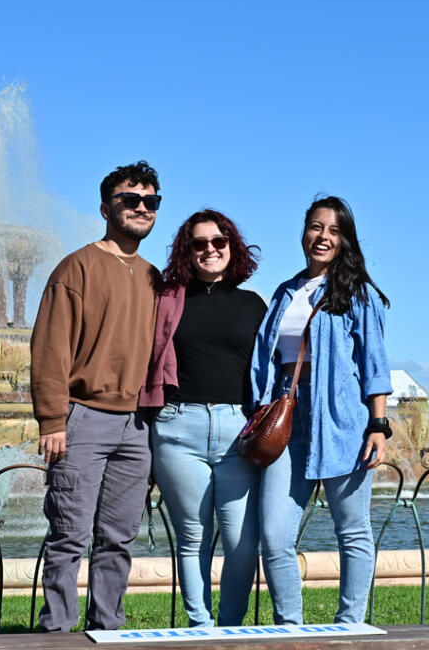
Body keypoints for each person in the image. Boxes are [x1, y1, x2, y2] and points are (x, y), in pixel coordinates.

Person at [28, 162, 162, 632]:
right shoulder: (77, 267)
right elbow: (50, 345)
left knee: (118, 538)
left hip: (138, 425)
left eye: (151, 201)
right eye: (131, 200)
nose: (141, 208)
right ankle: (57, 632)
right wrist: (52, 420)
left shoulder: (154, 277)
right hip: (82, 418)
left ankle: (107, 630)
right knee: (69, 535)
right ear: (107, 208)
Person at [250, 196, 392, 624]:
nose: (322, 237)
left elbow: (374, 363)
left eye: (333, 230)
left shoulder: (357, 293)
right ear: (303, 232)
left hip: (341, 417)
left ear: (344, 239)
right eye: (316, 227)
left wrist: (378, 425)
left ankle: (350, 624)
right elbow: (265, 356)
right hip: (287, 415)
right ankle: (289, 628)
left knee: (352, 530)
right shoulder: (286, 292)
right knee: (274, 536)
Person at [141, 210, 269, 627]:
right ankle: (199, 624)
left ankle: (230, 625)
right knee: (192, 537)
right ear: (187, 250)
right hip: (179, 428)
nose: (209, 250)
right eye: (199, 243)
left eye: (218, 241)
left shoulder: (253, 304)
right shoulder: (168, 300)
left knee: (241, 541)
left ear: (232, 246)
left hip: (238, 431)